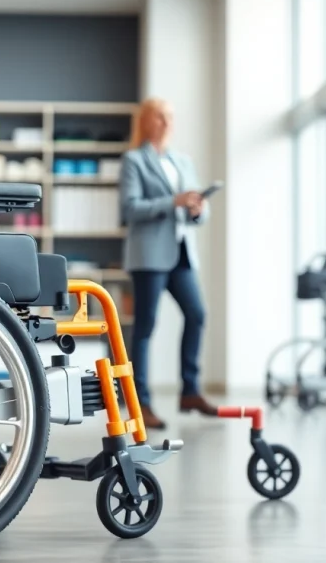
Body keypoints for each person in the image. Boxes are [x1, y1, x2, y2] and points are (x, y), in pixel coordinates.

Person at [119, 98, 215, 430]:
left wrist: (198, 209)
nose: (166, 122)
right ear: (145, 122)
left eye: (170, 116)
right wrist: (173, 201)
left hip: (181, 252)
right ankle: (140, 402)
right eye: (159, 116)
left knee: (197, 314)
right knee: (145, 327)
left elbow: (199, 210)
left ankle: (189, 389)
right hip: (149, 256)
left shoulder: (182, 161)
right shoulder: (134, 160)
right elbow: (130, 209)